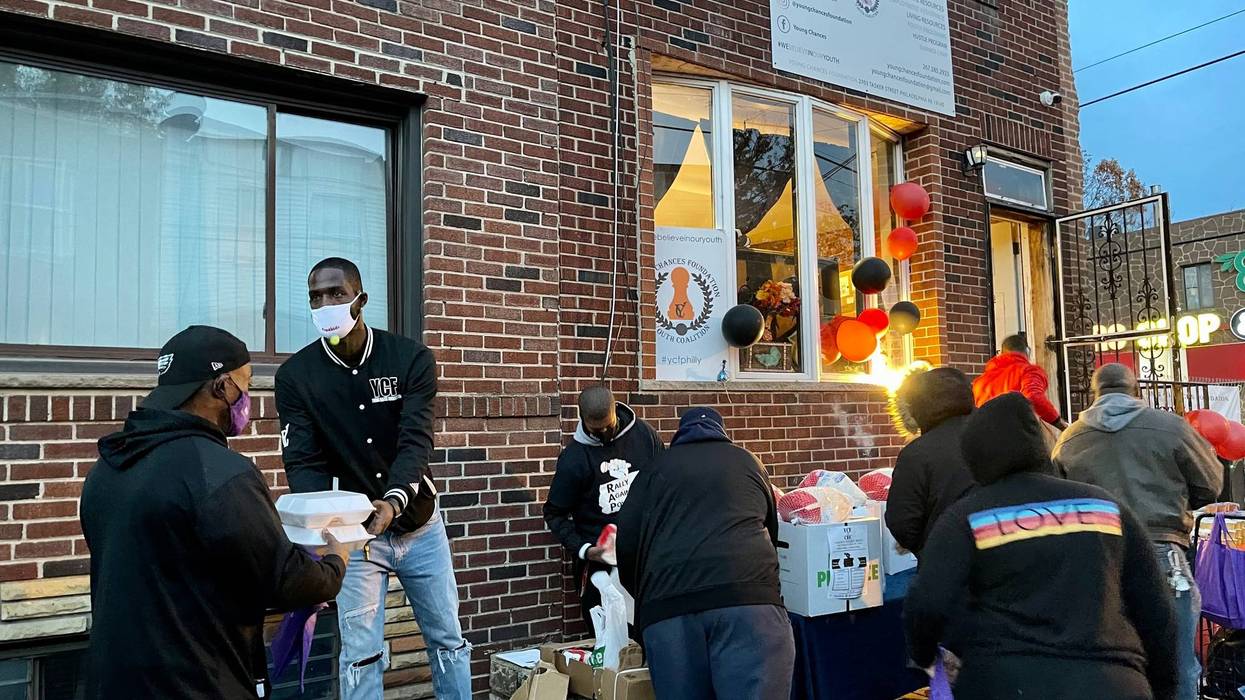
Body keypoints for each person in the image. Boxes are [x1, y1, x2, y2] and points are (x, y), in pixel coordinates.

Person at [82, 326, 349, 699]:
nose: (248, 399)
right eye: (247, 385)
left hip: (111, 681)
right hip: (196, 684)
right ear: (222, 386)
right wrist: (335, 561)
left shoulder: (106, 469)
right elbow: (289, 582)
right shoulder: (220, 474)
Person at [275, 258, 471, 700]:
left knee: (448, 642)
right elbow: (303, 463)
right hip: (354, 539)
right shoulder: (296, 378)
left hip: (420, 526)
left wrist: (394, 501)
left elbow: (415, 442)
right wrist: (326, 526)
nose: (325, 304)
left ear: (360, 299)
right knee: (361, 654)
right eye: (315, 297)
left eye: (335, 294)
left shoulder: (410, 359)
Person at [905, 393, 1177, 700]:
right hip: (1111, 681)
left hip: (1003, 682)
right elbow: (1156, 612)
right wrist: (1163, 688)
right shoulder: (1106, 508)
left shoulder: (967, 518)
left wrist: (928, 657)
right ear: (1040, 445)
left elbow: (927, 603)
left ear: (975, 457)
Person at [1053, 363, 1222, 700]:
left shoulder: (1069, 438)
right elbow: (1211, 483)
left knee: (1110, 664)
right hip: (1162, 552)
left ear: (1094, 393)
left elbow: (1058, 498)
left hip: (1097, 560)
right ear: (1137, 391)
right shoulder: (1171, 428)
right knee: (1177, 663)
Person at [616, 407, 793, 700]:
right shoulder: (748, 462)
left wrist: (646, 598)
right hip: (748, 603)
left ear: (679, 435)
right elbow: (771, 531)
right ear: (720, 431)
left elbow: (627, 544)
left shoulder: (654, 469)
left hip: (670, 610)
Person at [543, 385, 663, 625]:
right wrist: (585, 549)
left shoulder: (643, 435)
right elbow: (554, 513)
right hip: (602, 569)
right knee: (609, 644)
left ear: (615, 411)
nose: (605, 434)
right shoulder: (574, 458)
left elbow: (664, 484)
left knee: (652, 633)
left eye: (609, 426)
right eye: (596, 430)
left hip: (646, 560)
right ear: (583, 420)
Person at [885, 367, 977, 558]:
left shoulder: (916, 454)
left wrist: (927, 548)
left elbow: (902, 522)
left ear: (918, 407)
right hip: (1010, 559)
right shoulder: (1000, 434)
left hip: (948, 562)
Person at [972, 333, 1068, 430]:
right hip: (1016, 436)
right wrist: (1060, 424)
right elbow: (1033, 396)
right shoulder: (1029, 371)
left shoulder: (980, 382)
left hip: (985, 437)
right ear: (1027, 351)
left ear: (1001, 353)